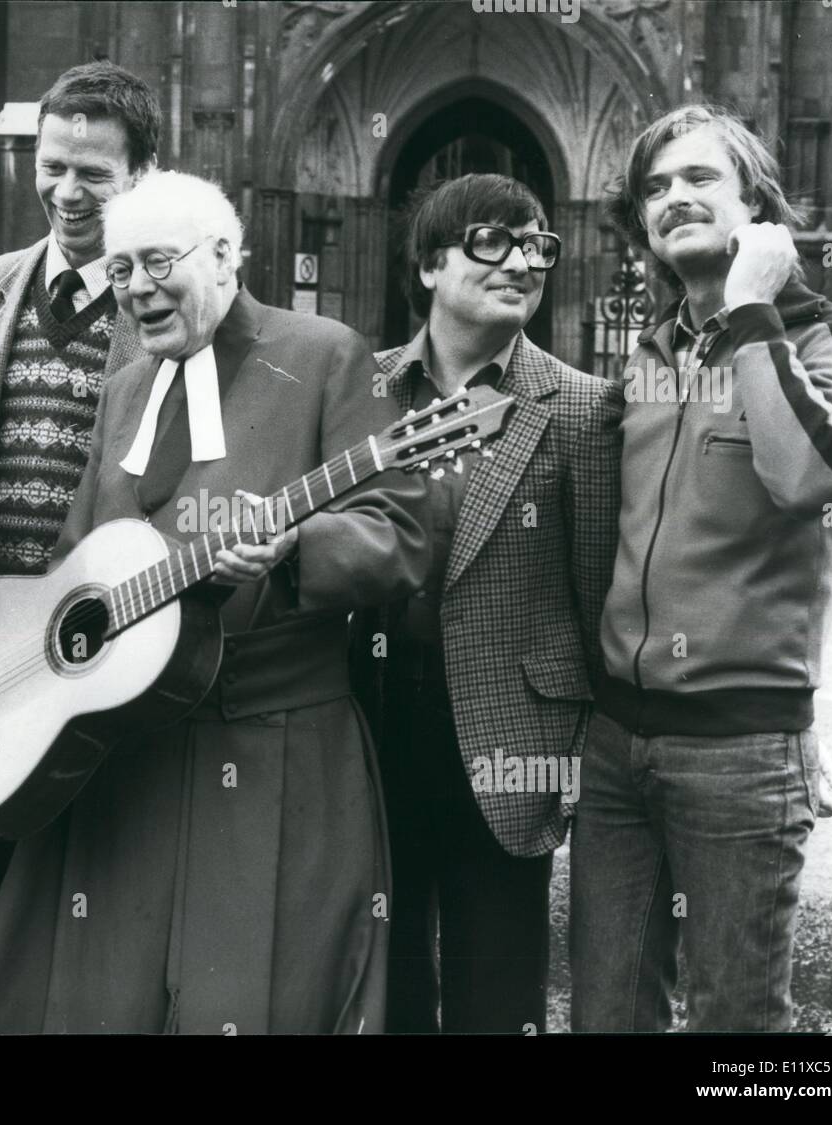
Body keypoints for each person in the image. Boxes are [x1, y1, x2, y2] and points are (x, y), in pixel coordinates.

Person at [0, 170, 432, 1034]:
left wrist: (299, 548)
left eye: (156, 262)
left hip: (277, 750)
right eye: (121, 268)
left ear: (223, 256)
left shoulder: (325, 355)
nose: (136, 286)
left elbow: (398, 532)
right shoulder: (126, 387)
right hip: (126, 752)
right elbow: (73, 559)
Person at [571, 105, 832, 1031]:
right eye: (655, 189)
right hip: (619, 746)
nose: (673, 199)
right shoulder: (650, 354)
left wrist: (751, 311)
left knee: (740, 1031)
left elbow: (808, 475)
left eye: (701, 179)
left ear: (758, 205)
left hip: (742, 751)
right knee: (607, 1015)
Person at [0, 60, 159, 1032]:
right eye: (52, 165)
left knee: (84, 912)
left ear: (140, 175)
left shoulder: (165, 306)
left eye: (92, 173)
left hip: (94, 660)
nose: (65, 190)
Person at [351, 174, 621, 1033]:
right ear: (431, 264)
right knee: (382, 985)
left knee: (497, 998)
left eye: (539, 245)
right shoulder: (363, 388)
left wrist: (573, 765)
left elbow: (597, 599)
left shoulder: (581, 407)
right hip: (374, 720)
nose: (524, 262)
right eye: (493, 241)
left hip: (514, 743)